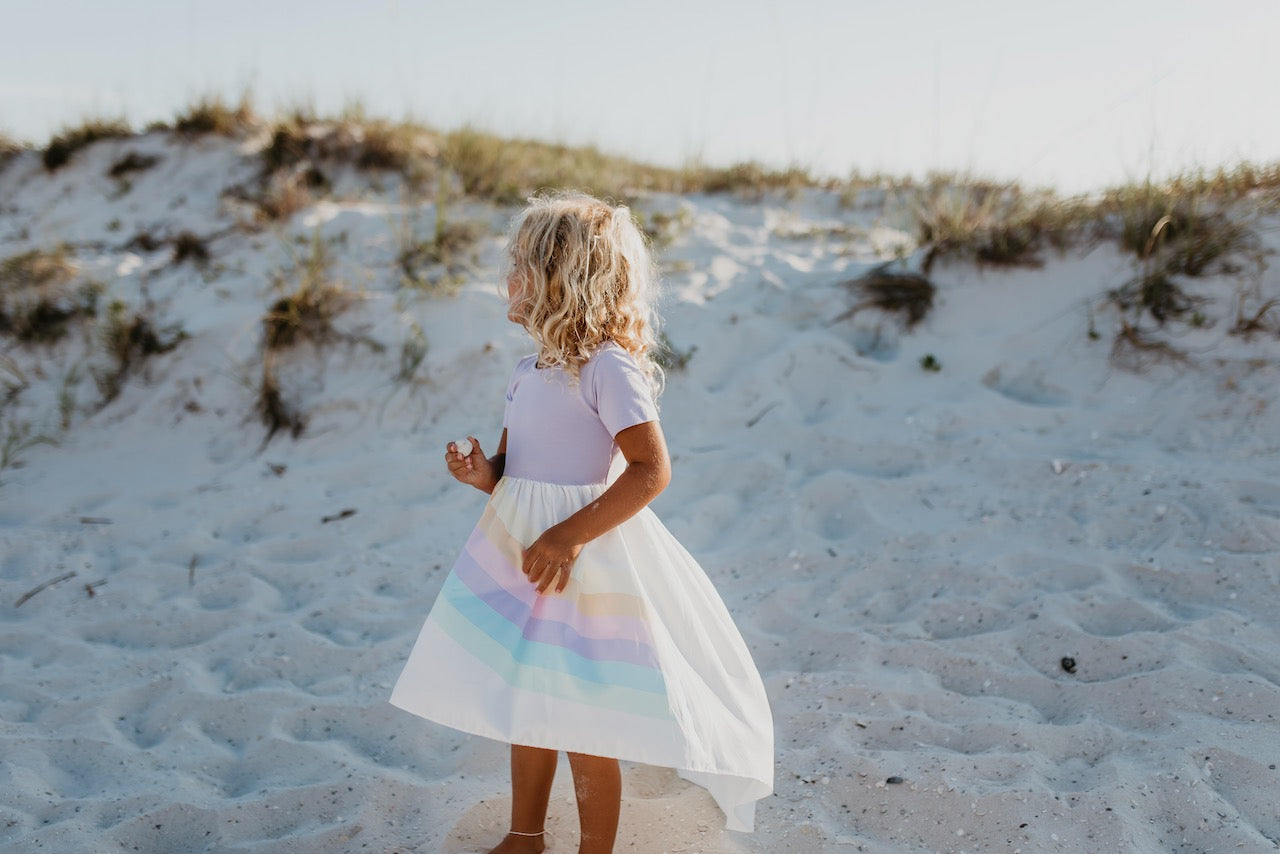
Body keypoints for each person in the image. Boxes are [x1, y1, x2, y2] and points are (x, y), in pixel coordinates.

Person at [390, 192, 773, 853]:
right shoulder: (524, 372)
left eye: (520, 266)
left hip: (581, 559)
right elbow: (515, 468)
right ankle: (525, 836)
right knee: (527, 702)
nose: (507, 280)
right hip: (521, 552)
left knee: (586, 719)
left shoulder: (609, 369)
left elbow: (651, 470)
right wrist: (483, 472)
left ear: (563, 280)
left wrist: (569, 536)